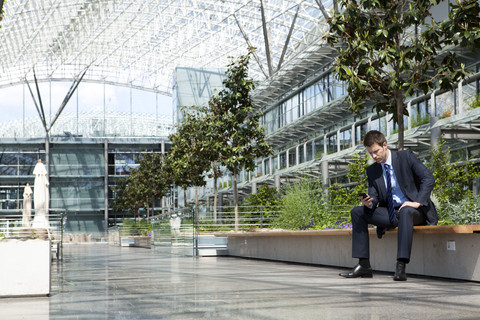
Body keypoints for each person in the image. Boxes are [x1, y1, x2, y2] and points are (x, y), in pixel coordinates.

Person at [339, 130, 438, 281]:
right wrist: (368, 202)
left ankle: (401, 265)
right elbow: (375, 196)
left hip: (415, 212)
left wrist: (417, 202)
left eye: (376, 151)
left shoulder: (405, 157)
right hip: (392, 213)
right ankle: (364, 265)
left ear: (384, 145)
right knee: (357, 212)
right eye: (370, 153)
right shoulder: (372, 170)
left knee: (405, 211)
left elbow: (428, 178)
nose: (374, 156)